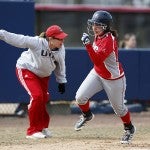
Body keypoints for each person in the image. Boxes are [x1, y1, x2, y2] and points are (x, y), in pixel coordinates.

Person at [74, 10, 136, 144]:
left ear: (106, 27)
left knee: (119, 109)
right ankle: (87, 115)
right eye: (93, 24)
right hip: (98, 73)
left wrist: (87, 45)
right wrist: (90, 44)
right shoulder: (99, 35)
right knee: (80, 97)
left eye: (98, 25)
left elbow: (97, 60)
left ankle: (129, 128)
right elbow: (97, 64)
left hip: (113, 78)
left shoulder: (109, 40)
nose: (94, 27)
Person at [0, 25, 68, 139]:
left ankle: (42, 127)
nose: (62, 40)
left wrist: (61, 81)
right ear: (50, 38)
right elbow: (19, 39)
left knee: (44, 98)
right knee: (37, 96)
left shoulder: (61, 48)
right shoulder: (37, 42)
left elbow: (61, 65)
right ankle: (32, 131)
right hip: (27, 69)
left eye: (62, 38)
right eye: (59, 38)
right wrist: (1, 34)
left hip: (43, 75)